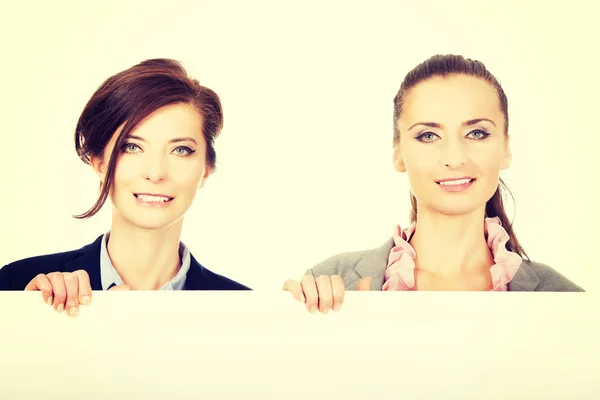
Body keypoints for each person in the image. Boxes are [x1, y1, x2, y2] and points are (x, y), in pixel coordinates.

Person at [283, 54, 583, 313]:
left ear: (505, 148)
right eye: (428, 135)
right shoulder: (331, 282)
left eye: (477, 133)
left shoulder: (568, 302)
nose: (454, 158)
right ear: (398, 155)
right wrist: (298, 324)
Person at [0, 58, 251, 316]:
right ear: (99, 162)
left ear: (205, 170)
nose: (155, 174)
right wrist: (31, 325)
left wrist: (295, 321)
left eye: (180, 150)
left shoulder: (244, 309)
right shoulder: (18, 286)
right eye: (132, 147)